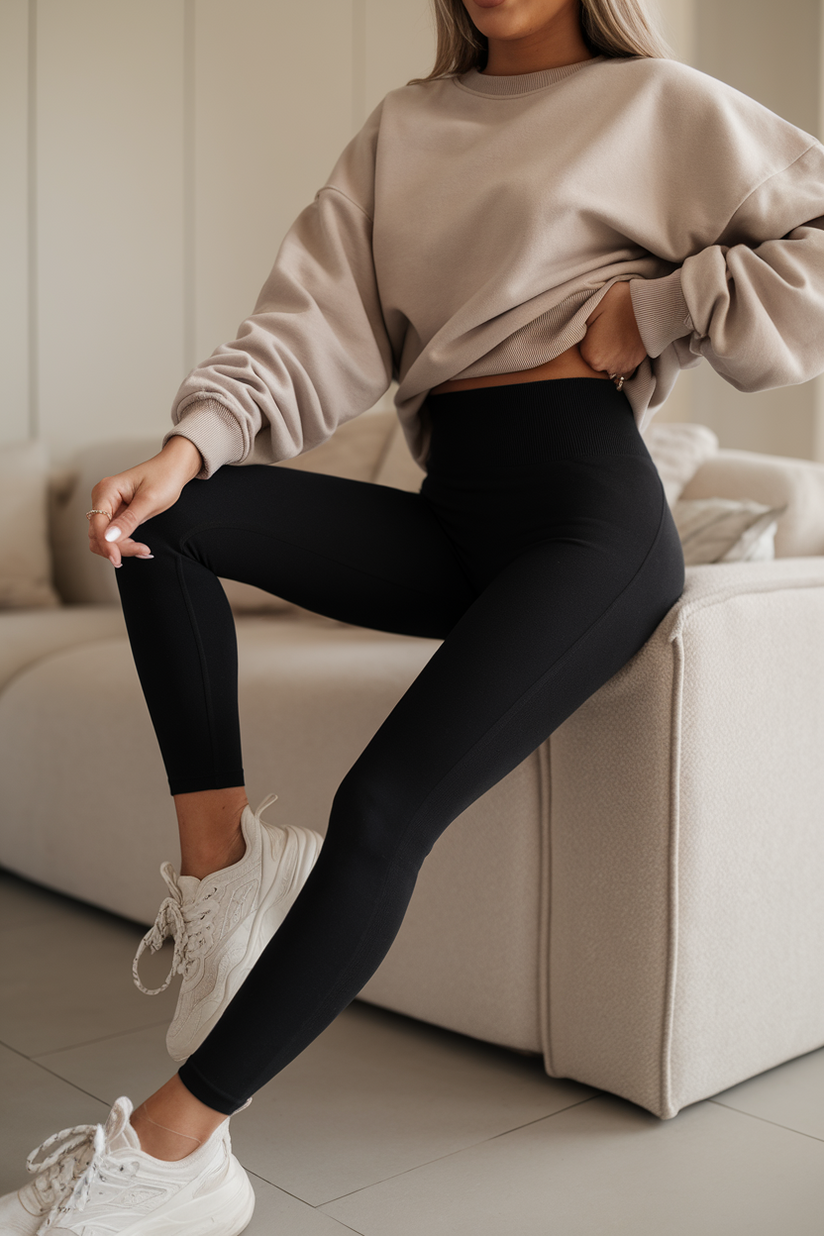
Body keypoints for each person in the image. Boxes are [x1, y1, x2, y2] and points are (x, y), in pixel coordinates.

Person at [5, 0, 824, 1231]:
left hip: (584, 529)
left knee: (380, 808)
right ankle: (224, 874)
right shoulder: (407, 127)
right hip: (456, 512)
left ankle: (180, 1155)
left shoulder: (659, 104)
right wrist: (185, 449)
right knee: (163, 525)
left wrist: (652, 314)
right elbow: (303, 328)